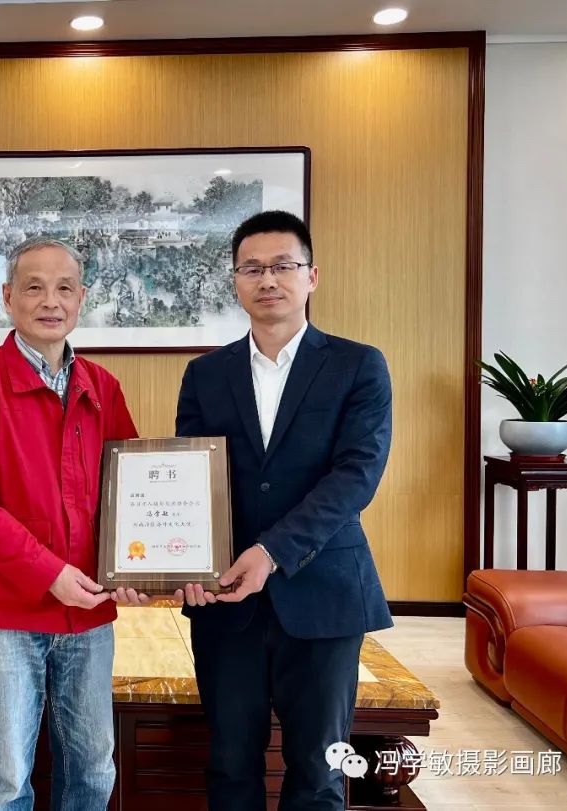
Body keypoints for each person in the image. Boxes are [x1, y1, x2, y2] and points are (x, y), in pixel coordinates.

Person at [174, 210, 393, 811]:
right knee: (229, 765)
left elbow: (357, 475)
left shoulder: (358, 365)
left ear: (311, 275)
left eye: (283, 266)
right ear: (235, 280)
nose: (267, 279)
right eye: (252, 268)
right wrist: (186, 560)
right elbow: (193, 482)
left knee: (320, 772)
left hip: (324, 593)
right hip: (225, 599)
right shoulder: (204, 374)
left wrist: (271, 552)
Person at [0, 237, 138, 811]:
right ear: (8, 297)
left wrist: (135, 567)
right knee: (7, 781)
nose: (51, 301)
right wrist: (49, 573)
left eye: (64, 288)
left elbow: (129, 493)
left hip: (89, 608)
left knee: (94, 768)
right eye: (34, 287)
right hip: (4, 613)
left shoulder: (102, 387)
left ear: (82, 297)